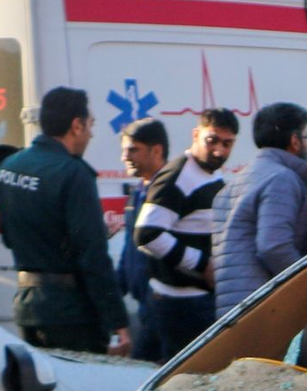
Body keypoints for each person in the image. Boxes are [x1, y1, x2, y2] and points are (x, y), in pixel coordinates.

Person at [0, 86, 130, 355]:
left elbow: (11, 233)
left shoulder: (10, 166)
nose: (92, 133)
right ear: (76, 125)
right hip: (71, 315)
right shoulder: (73, 173)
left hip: (27, 306)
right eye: (90, 124)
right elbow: (92, 256)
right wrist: (119, 323)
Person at [134, 108, 238, 361]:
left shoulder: (210, 171)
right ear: (196, 134)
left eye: (227, 144)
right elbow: (147, 234)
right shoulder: (178, 176)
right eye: (212, 140)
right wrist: (203, 264)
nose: (219, 151)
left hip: (191, 300)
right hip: (180, 304)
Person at [211, 102, 307, 318]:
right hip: (264, 308)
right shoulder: (281, 179)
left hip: (232, 309)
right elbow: (274, 247)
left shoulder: (234, 184)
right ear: (295, 141)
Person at [117, 117, 168, 361]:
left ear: (156, 150)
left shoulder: (170, 191)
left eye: (132, 150)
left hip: (163, 305)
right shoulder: (138, 192)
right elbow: (130, 248)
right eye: (124, 150)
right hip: (144, 306)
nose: (125, 157)